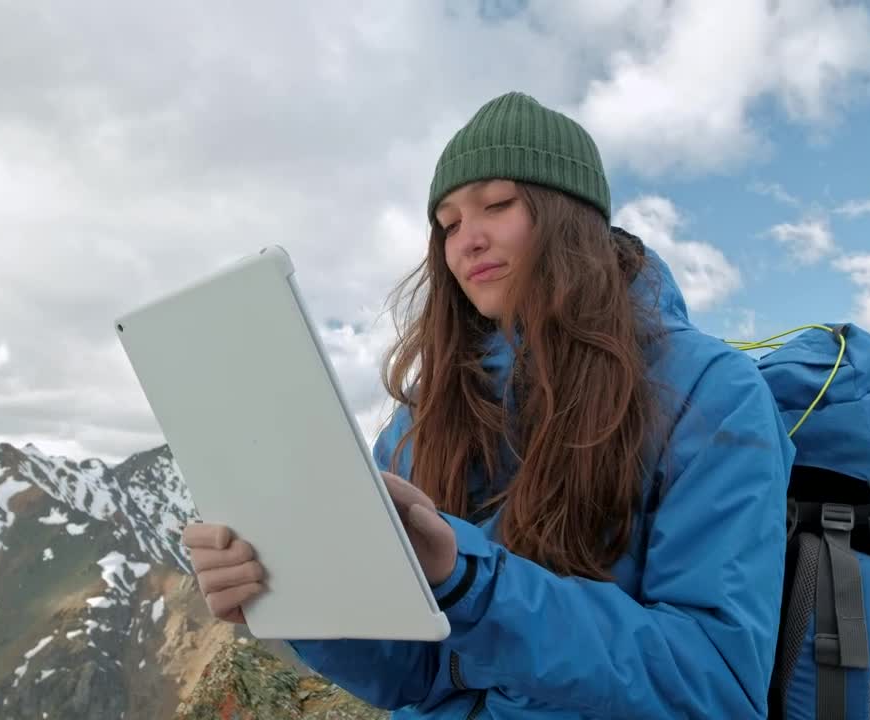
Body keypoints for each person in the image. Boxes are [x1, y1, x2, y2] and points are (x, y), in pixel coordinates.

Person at [181, 91, 794, 719]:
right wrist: (293, 594)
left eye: (496, 206)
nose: (466, 240)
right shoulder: (421, 418)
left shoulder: (711, 394)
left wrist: (472, 584)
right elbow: (416, 677)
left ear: (573, 217)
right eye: (448, 224)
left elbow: (716, 685)